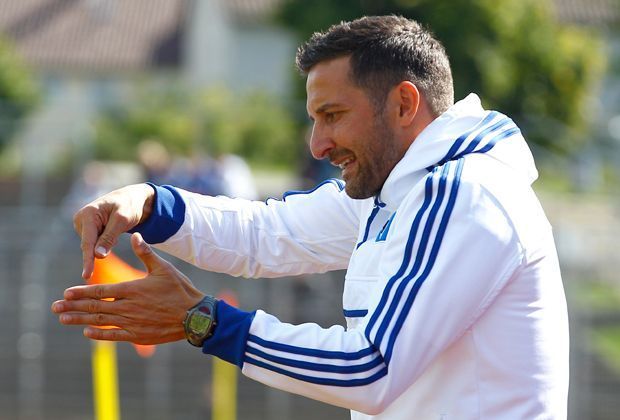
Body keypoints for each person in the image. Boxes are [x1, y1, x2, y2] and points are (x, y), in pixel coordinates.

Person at [51, 16, 569, 419]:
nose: (319, 145)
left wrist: (203, 321)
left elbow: (369, 369)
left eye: (334, 116)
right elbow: (268, 234)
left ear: (405, 105)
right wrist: (150, 204)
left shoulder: (463, 194)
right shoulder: (401, 189)